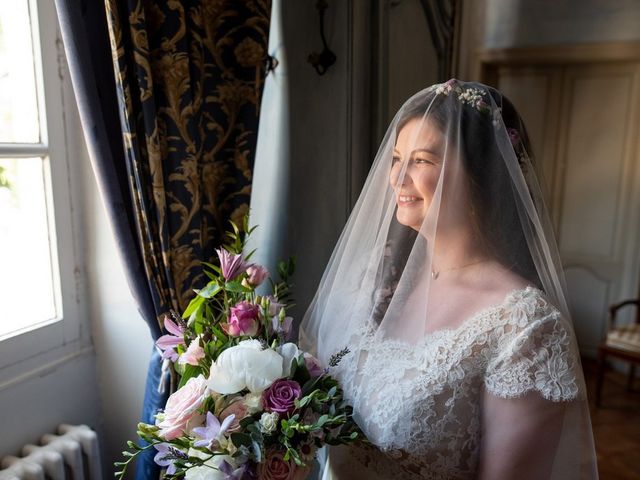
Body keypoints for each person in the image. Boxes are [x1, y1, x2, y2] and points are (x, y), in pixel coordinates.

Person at [300, 79, 599, 479]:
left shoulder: (525, 325)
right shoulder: (376, 280)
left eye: (422, 160)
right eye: (396, 157)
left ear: (482, 174)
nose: (398, 177)